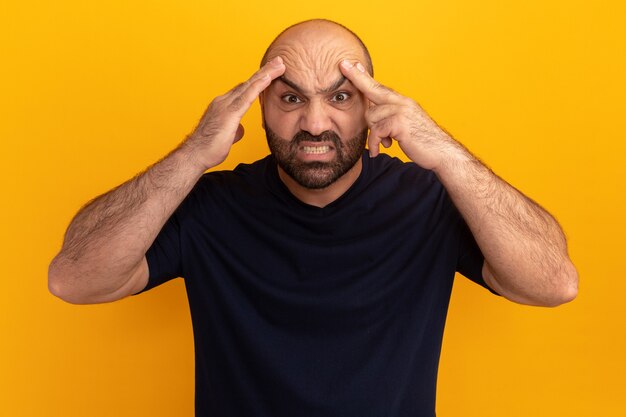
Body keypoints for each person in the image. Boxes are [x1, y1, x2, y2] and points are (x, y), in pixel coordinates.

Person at [48, 19, 578, 417]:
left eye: (340, 97)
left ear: (372, 106)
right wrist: (192, 154)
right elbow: (73, 279)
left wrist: (442, 149)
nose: (314, 122)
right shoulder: (209, 203)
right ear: (258, 107)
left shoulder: (430, 200)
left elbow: (553, 284)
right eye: (291, 97)